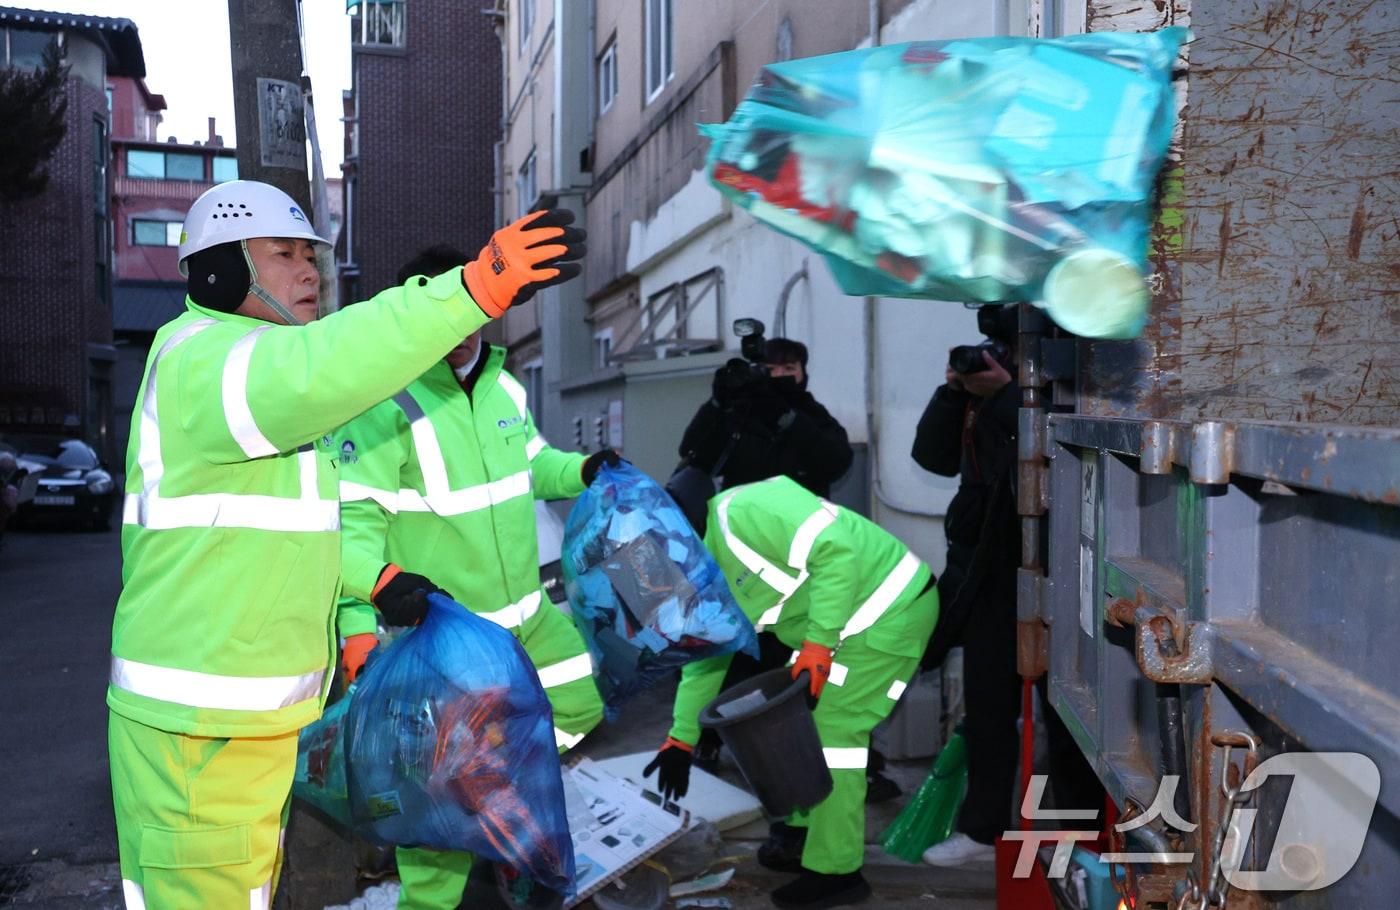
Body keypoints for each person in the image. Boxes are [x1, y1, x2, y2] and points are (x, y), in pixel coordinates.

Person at [106, 180, 584, 909]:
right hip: (200, 728)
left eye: (313, 257)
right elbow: (333, 360)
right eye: (284, 255)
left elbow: (294, 530)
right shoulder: (209, 360)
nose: (309, 273)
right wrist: (473, 287)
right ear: (222, 269)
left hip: (237, 721)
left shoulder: (257, 379)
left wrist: (373, 583)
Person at [333, 244, 614, 910]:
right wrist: (358, 622)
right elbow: (352, 527)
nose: (459, 326)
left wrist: (583, 471)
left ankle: (497, 818)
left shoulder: (505, 389)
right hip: (445, 647)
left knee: (578, 704)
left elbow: (534, 465)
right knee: (436, 801)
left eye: (469, 307)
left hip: (528, 626)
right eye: (443, 309)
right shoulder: (382, 406)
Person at [647, 476, 939, 909]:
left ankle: (837, 873)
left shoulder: (745, 510)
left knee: (833, 737)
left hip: (887, 610)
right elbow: (706, 660)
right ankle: (805, 836)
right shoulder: (701, 576)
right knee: (792, 727)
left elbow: (835, 549)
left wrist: (818, 645)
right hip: (838, 630)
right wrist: (681, 739)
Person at [911, 307, 1102, 866]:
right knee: (988, 710)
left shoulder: (1074, 378)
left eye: (1014, 348)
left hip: (1061, 571)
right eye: (1001, 347)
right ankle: (982, 830)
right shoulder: (984, 391)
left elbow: (1055, 447)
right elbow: (931, 457)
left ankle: (1081, 835)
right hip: (989, 574)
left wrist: (1004, 395)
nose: (1003, 355)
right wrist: (954, 394)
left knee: (1069, 714)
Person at [678, 337, 852, 497]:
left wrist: (786, 419)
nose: (779, 375)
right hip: (743, 516)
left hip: (797, 517)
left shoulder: (814, 414)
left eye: (789, 368)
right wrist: (716, 404)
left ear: (803, 374)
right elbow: (691, 452)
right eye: (770, 369)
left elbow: (836, 463)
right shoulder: (740, 413)